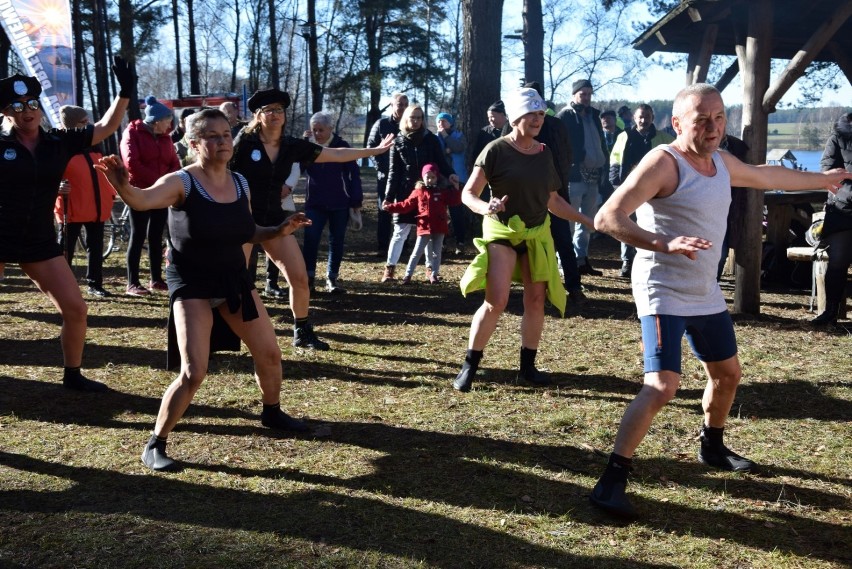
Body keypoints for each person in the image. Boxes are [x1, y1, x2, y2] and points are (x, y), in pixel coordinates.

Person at [590, 83, 850, 519]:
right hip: (662, 289)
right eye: (701, 119)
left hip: (704, 290)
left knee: (727, 375)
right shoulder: (663, 163)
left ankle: (712, 446)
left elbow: (767, 175)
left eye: (719, 119)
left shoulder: (721, 162)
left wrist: (823, 180)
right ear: (676, 123)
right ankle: (611, 480)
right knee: (663, 384)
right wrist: (663, 242)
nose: (713, 128)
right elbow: (607, 217)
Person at [96, 109, 314, 472]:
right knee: (194, 371)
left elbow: (248, 231)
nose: (222, 141)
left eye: (226, 134)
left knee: (270, 355)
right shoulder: (181, 181)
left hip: (233, 280)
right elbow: (141, 200)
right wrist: (122, 186)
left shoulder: (240, 183)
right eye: (212, 136)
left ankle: (272, 412)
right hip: (193, 285)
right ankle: (156, 443)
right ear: (194, 144)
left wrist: (278, 230)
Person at [0, 58, 132, 392]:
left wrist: (125, 92)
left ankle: (73, 376)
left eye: (31, 103)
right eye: (17, 105)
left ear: (40, 108)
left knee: (76, 308)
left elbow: (104, 127)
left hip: (39, 240)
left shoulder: (59, 142)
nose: (26, 110)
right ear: (6, 112)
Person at [452, 87, 594, 393]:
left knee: (536, 299)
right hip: (501, 231)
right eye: (531, 113)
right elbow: (468, 194)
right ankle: (470, 365)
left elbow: (554, 201)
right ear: (516, 116)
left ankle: (527, 368)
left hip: (536, 231)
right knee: (497, 300)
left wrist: (587, 220)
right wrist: (485, 207)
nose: (537, 119)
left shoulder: (545, 154)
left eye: (541, 114)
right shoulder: (495, 150)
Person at [231, 88, 394, 350]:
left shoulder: (292, 146)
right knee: (237, 280)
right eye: (269, 110)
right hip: (242, 220)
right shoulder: (244, 142)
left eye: (279, 110)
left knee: (299, 278)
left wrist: (373, 151)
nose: (275, 115)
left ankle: (302, 332)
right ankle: (226, 333)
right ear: (258, 116)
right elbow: (221, 172)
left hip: (276, 221)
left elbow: (336, 154)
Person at [383, 104, 459, 282]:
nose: (416, 121)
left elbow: (440, 161)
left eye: (419, 118)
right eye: (412, 118)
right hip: (406, 190)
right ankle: (390, 268)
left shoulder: (430, 139)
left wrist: (451, 174)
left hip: (430, 191)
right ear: (406, 119)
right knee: (400, 231)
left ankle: (430, 269)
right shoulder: (399, 141)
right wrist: (388, 196)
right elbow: (393, 172)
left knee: (428, 232)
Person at [120, 95, 181, 296]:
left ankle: (156, 279)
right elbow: (132, 165)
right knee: (138, 235)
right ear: (157, 121)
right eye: (167, 121)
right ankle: (133, 282)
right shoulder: (133, 133)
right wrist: (159, 183)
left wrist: (166, 183)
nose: (170, 126)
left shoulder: (165, 137)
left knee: (156, 236)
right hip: (140, 192)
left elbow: (174, 162)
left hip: (161, 194)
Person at [54, 105, 117, 297]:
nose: (88, 125)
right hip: (71, 209)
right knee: (65, 249)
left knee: (96, 248)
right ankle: (60, 285)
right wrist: (57, 188)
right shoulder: (60, 147)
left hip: (97, 207)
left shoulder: (95, 146)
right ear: (73, 125)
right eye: (84, 122)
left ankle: (95, 284)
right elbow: (46, 177)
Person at [608, 104, 674, 278]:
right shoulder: (624, 136)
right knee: (626, 226)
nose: (643, 120)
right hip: (628, 189)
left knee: (652, 225)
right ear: (634, 118)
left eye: (647, 116)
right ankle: (627, 262)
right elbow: (615, 159)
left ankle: (653, 260)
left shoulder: (664, 138)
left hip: (655, 191)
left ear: (652, 118)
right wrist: (616, 183)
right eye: (640, 117)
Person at [302, 111, 363, 294]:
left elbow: (354, 175)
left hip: (339, 203)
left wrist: (356, 200)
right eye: (314, 130)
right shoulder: (308, 148)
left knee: (336, 241)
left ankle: (332, 279)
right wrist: (303, 144)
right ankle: (309, 279)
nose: (317, 133)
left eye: (321, 130)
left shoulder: (342, 146)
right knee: (311, 240)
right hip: (315, 203)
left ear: (330, 128)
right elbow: (296, 166)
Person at [556, 79, 609, 276]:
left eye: (588, 94)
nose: (586, 98)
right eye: (582, 94)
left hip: (594, 176)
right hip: (574, 176)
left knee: (587, 222)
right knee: (568, 221)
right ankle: (564, 262)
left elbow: (601, 142)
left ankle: (581, 260)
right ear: (574, 94)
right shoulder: (565, 116)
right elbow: (562, 146)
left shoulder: (594, 115)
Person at [383, 163, 461, 284]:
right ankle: (407, 275)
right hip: (424, 227)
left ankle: (434, 275)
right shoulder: (418, 192)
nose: (430, 180)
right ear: (423, 177)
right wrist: (391, 207)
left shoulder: (442, 191)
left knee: (436, 253)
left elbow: (454, 201)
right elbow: (406, 205)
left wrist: (456, 187)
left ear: (437, 178)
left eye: (433, 177)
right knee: (416, 252)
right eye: (427, 177)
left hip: (439, 226)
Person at [812, 112, 852, 325]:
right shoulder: (838, 137)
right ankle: (830, 312)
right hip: (843, 209)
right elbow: (827, 172)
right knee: (837, 263)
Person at [367, 92, 409, 256]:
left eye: (405, 104)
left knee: (405, 210)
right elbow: (371, 147)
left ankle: (404, 246)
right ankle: (383, 246)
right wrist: (381, 168)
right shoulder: (381, 124)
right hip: (385, 177)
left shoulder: (409, 125)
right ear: (392, 105)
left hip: (405, 178)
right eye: (400, 104)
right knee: (384, 210)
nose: (403, 107)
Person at [435, 112, 469, 254]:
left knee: (457, 213)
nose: (441, 124)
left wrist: (445, 137)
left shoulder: (459, 136)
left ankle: (460, 243)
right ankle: (440, 243)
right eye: (439, 121)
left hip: (458, 179)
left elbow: (458, 147)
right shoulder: (434, 138)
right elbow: (437, 153)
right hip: (440, 180)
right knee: (440, 213)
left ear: (450, 123)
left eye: (444, 121)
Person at [599, 109, 621, 205]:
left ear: (615, 120)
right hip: (600, 175)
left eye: (608, 118)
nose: (605, 120)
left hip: (618, 174)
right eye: (603, 118)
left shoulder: (623, 135)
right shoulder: (597, 135)